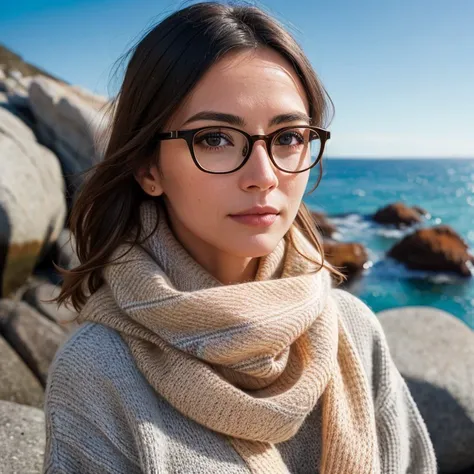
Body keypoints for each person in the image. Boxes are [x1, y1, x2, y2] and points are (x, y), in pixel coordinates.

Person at [42, 2, 437, 473]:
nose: (264, 176)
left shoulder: (354, 328)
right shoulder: (97, 372)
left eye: (288, 136)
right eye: (214, 138)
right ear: (149, 168)